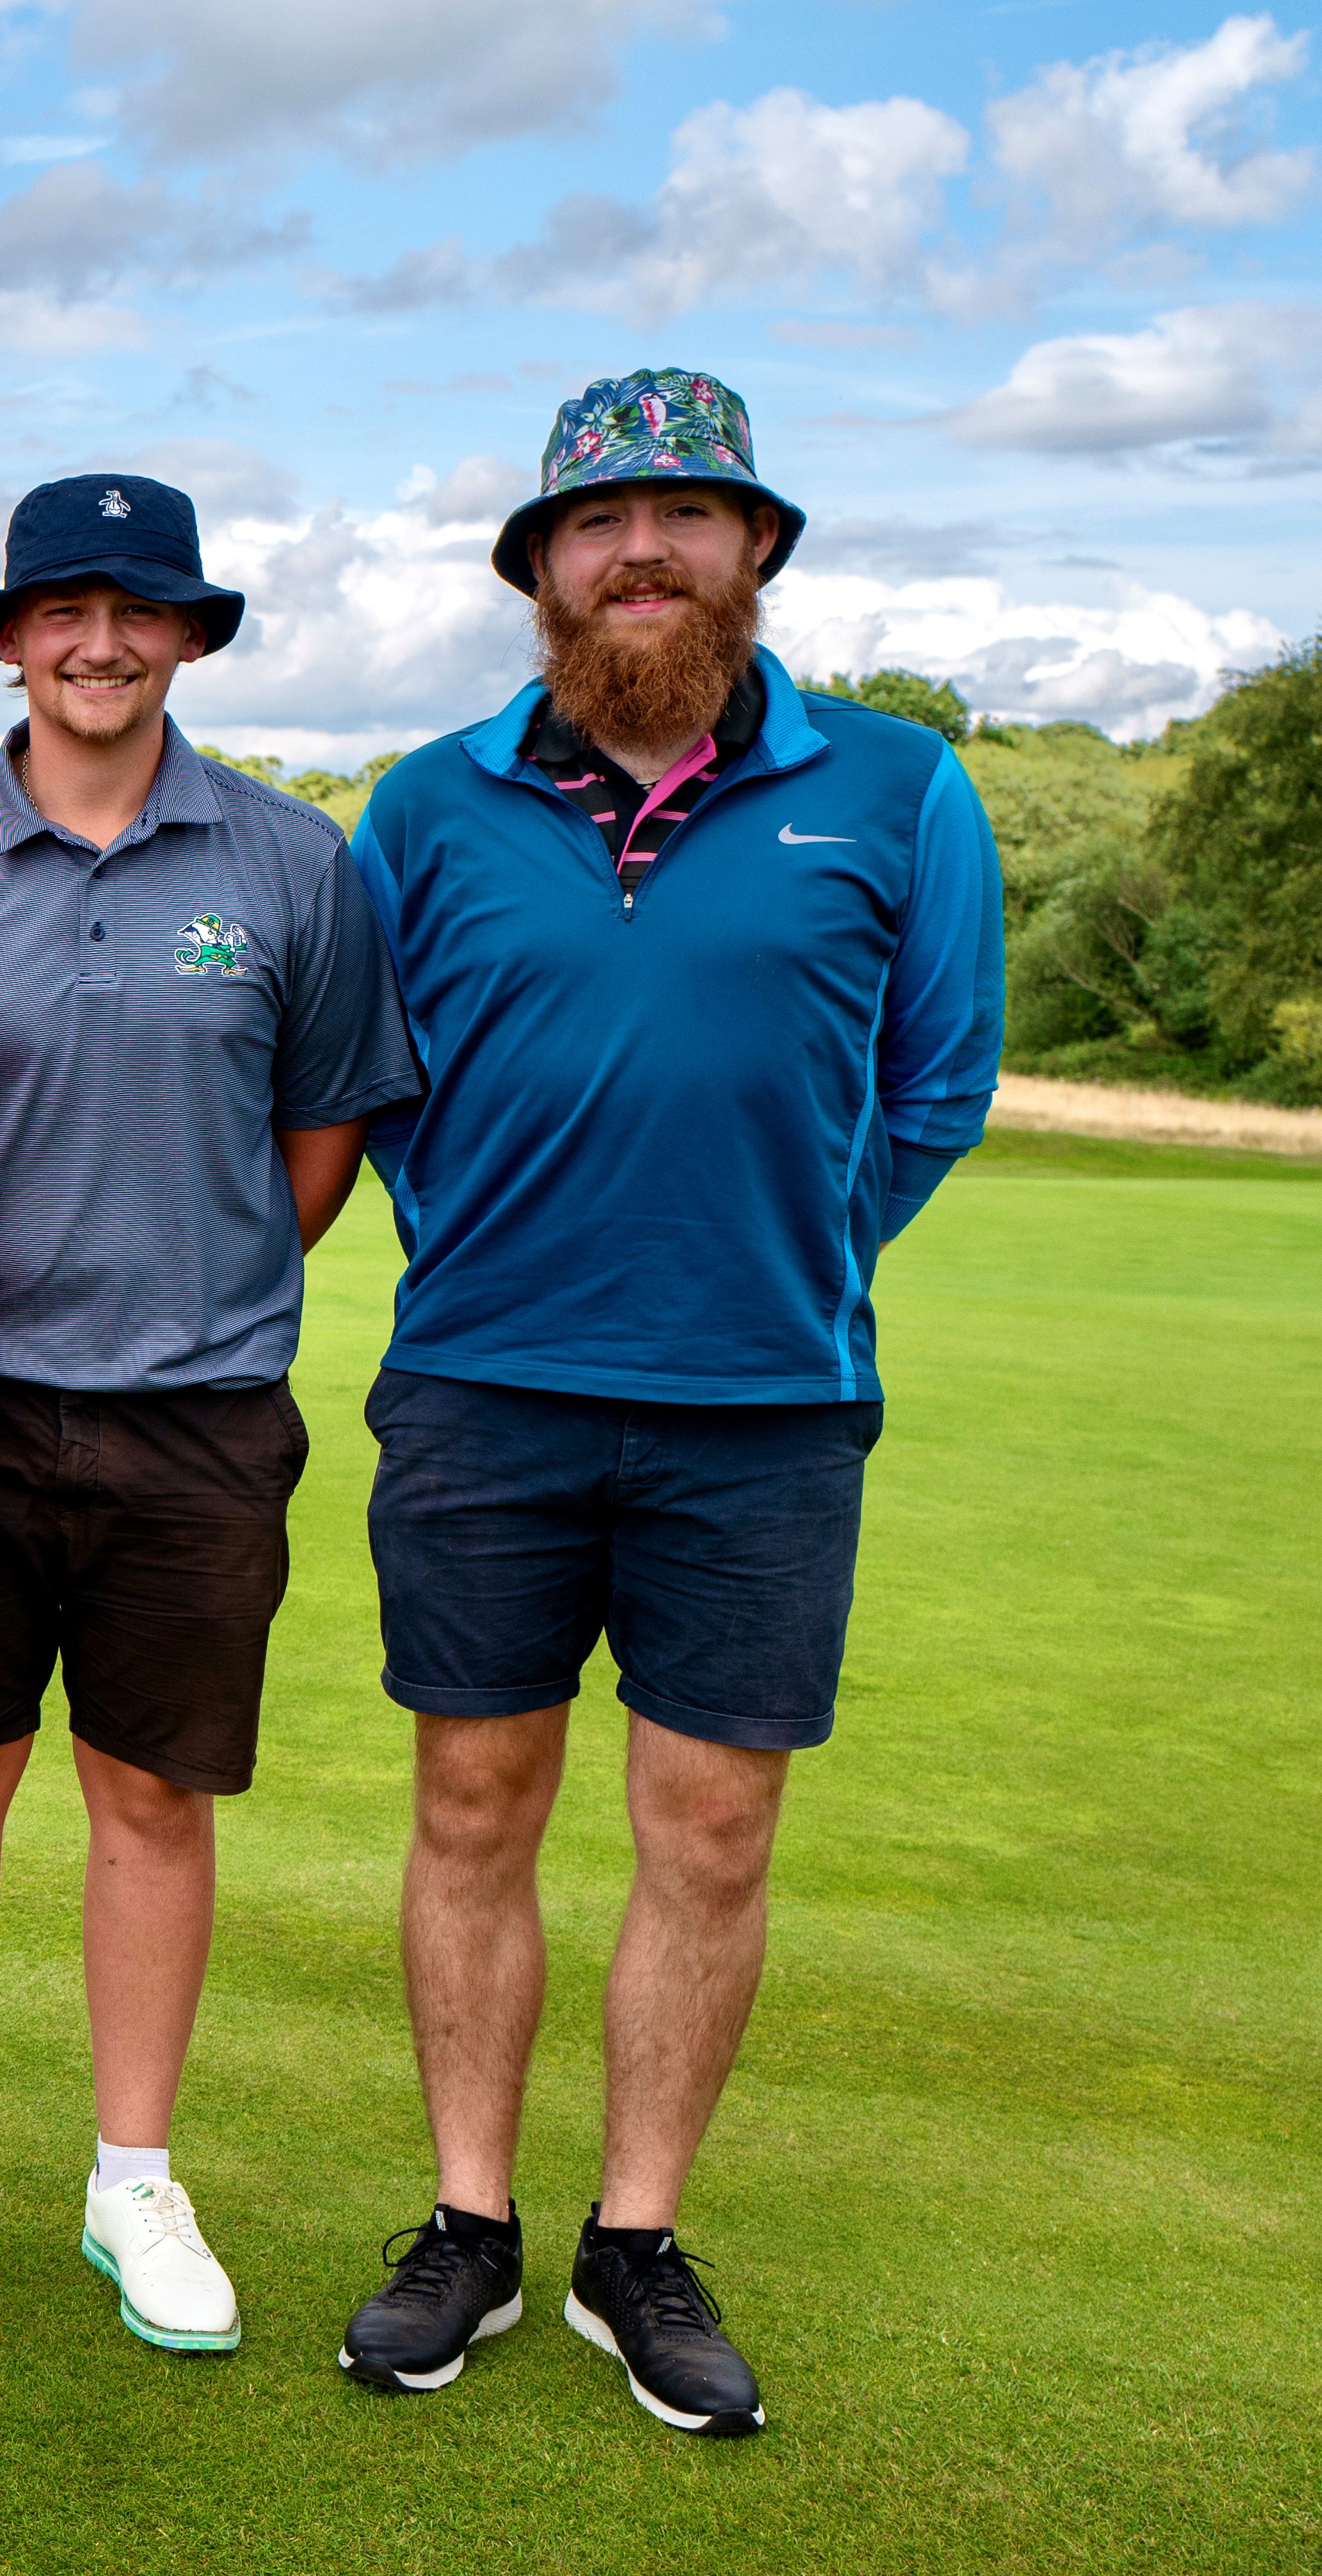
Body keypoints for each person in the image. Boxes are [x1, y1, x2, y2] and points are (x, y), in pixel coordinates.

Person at [335, 369, 1000, 2434]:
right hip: (482, 1396)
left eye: (690, 516)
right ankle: (470, 2224)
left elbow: (936, 1086)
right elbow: (388, 1096)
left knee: (709, 1830)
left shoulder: (899, 788)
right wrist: (504, 1247)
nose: (645, 551)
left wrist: (784, 1247)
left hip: (764, 1411)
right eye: (601, 523)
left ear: (758, 551)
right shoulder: (428, 804)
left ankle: (637, 2241)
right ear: (540, 568)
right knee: (473, 1809)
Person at [0, 476, 421, 2353]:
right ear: (11, 638)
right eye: (64, 610)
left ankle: (130, 2181)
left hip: (197, 1418)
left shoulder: (289, 862)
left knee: (154, 1798)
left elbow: (319, 1133)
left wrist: (198, 1270)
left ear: (189, 636)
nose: (101, 643)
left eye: (140, 611)